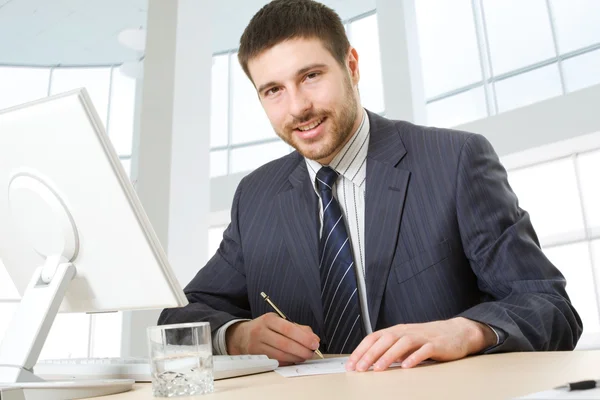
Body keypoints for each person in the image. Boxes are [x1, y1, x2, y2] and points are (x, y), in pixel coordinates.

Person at [158, 0, 582, 372]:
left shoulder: (454, 161)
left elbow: (550, 307)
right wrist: (236, 336)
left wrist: (467, 330)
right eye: (273, 90)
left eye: (310, 76)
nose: (298, 106)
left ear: (352, 66)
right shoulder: (256, 196)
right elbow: (181, 317)